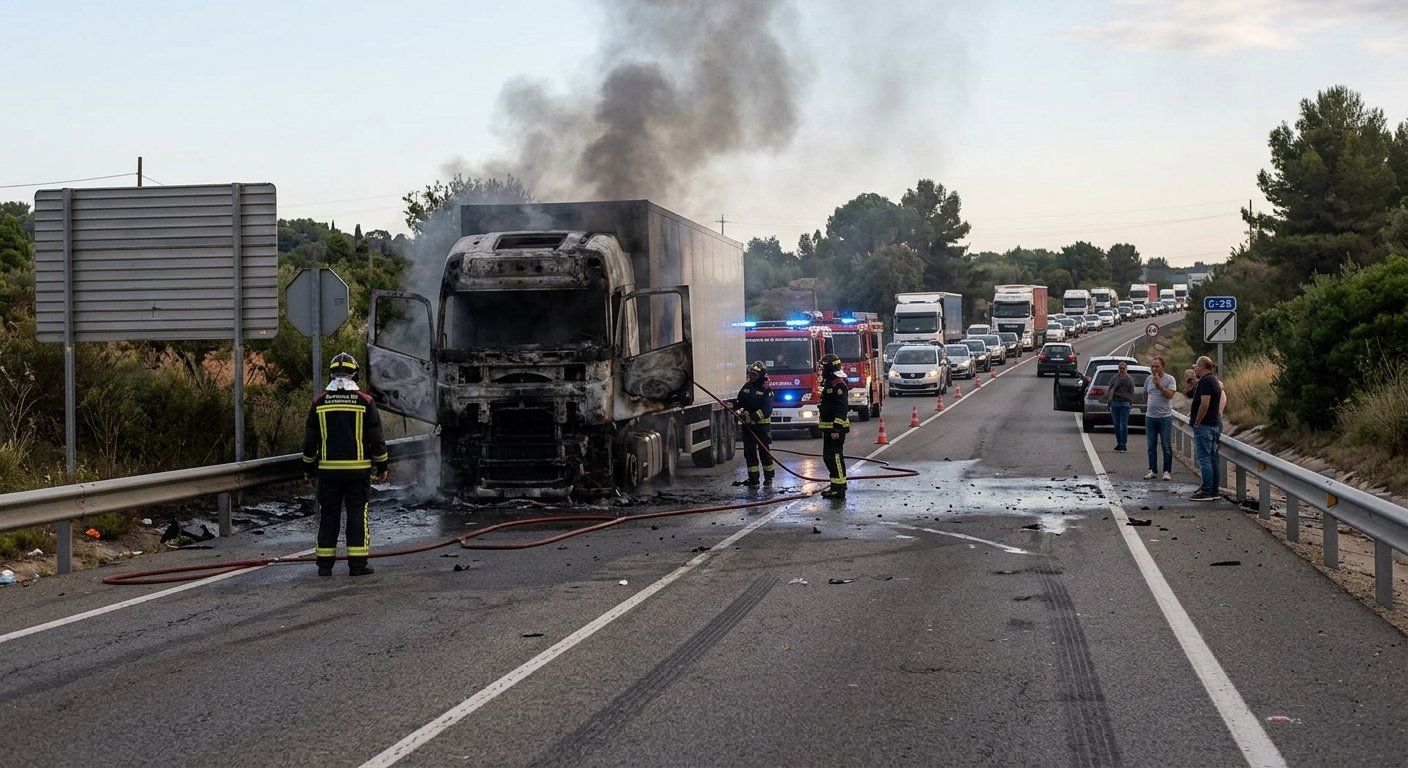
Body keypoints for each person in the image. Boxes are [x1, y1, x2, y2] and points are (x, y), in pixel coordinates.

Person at [302, 353, 389, 576]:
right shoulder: (365, 401)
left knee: (328, 516)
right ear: (355, 375)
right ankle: (358, 566)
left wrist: (309, 468)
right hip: (358, 473)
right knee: (357, 515)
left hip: (328, 473)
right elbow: (376, 438)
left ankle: (324, 566)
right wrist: (382, 466)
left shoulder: (319, 402)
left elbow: (310, 441)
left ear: (331, 374)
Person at [736, 361, 776, 486]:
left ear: (761, 376)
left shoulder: (766, 390)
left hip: (761, 428)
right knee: (749, 452)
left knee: (764, 452)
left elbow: (766, 410)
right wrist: (732, 405)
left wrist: (752, 417)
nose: (751, 376)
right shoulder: (747, 387)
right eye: (750, 374)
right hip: (748, 427)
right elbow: (740, 401)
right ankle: (753, 479)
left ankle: (768, 478)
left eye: (754, 374)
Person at [816, 353, 851, 500]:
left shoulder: (838, 385)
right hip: (829, 428)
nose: (821, 370)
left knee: (834, 457)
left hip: (835, 429)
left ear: (829, 368)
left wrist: (836, 428)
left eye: (823, 367)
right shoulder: (830, 383)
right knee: (829, 458)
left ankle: (839, 488)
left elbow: (842, 408)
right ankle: (835, 486)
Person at [1189, 355, 1223, 502]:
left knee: (1204, 459)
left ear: (1202, 366)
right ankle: (1214, 489)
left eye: (1196, 366)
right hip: (1213, 424)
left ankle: (1207, 490)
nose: (1195, 369)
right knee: (1212, 458)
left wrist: (1197, 422)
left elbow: (1204, 404)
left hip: (1205, 426)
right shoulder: (1213, 380)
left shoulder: (1206, 381)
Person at [1143, 356, 1177, 481]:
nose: (1154, 369)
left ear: (1163, 367)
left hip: (1164, 417)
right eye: (1152, 366)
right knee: (1151, 445)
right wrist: (1150, 404)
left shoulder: (1170, 379)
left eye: (1157, 366)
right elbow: (1145, 394)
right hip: (1150, 417)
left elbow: (1170, 395)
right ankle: (1152, 470)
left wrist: (1160, 386)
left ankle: (1167, 471)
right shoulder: (1148, 379)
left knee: (1166, 445)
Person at [1109, 361, 1135, 452]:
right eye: (1120, 368)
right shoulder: (1114, 378)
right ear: (1118, 369)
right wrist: (1109, 401)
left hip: (1125, 404)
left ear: (1126, 369)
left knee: (1123, 424)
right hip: (1115, 403)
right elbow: (1110, 389)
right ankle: (1119, 443)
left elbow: (1132, 392)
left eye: (1124, 368)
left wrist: (1130, 402)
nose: (1122, 370)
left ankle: (1123, 444)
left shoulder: (1129, 379)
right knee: (1116, 425)